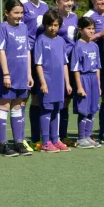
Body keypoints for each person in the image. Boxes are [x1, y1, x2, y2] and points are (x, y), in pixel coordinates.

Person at [0, 0, 34, 156]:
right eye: (15, 13)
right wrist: (5, 74)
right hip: (9, 75)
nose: (19, 16)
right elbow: (1, 51)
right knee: (4, 106)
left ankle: (18, 142)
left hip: (22, 74)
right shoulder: (3, 28)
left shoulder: (24, 27)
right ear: (7, 13)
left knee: (17, 107)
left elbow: (27, 50)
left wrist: (29, 73)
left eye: (21, 13)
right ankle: (3, 144)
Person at [35, 10, 72, 152]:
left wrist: (67, 83)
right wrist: (43, 82)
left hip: (59, 83)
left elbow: (64, 64)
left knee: (56, 110)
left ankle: (55, 140)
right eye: (50, 24)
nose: (53, 28)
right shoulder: (41, 40)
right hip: (47, 82)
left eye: (56, 25)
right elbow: (38, 64)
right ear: (45, 24)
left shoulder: (61, 41)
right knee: (47, 111)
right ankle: (45, 142)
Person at [20, 0, 48, 151]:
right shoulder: (22, 5)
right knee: (23, 98)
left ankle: (36, 137)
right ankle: (20, 137)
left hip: (40, 57)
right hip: (25, 56)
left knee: (38, 98)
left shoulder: (45, 6)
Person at [83, 0, 104, 141]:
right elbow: (81, 39)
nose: (103, 2)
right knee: (92, 98)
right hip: (91, 65)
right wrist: (100, 34)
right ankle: (86, 133)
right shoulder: (88, 16)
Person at [70, 16, 102, 149]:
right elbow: (76, 69)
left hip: (93, 79)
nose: (91, 31)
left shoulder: (94, 46)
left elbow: (98, 67)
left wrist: (99, 85)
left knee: (93, 109)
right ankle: (81, 137)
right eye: (88, 28)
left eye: (93, 28)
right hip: (84, 79)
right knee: (84, 110)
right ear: (80, 29)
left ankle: (88, 136)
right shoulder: (78, 46)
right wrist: (79, 87)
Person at [54, 0, 78, 146]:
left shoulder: (75, 17)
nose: (69, 3)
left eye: (71, 0)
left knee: (66, 101)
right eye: (66, 0)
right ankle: (51, 136)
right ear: (57, 2)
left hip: (71, 64)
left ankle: (62, 135)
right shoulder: (52, 17)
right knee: (56, 100)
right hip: (56, 64)